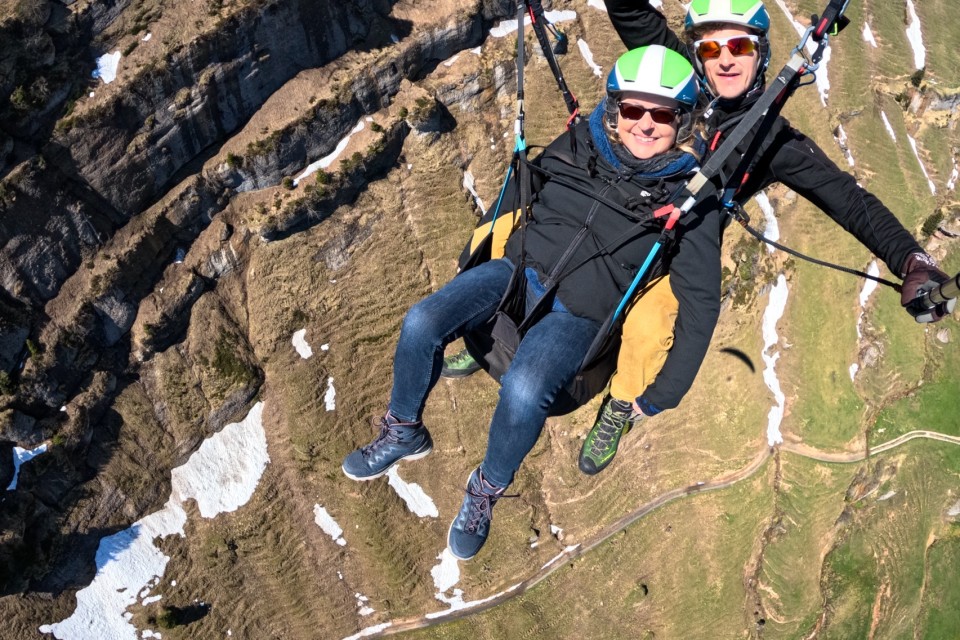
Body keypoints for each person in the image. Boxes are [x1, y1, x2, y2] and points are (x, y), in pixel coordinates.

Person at [342, 46, 723, 560]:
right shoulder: (579, 145)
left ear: (683, 121)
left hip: (581, 314)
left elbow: (700, 303)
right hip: (517, 273)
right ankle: (403, 430)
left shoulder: (689, 199)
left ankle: (485, 490)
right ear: (614, 112)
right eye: (634, 110)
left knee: (525, 390)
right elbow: (526, 191)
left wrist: (662, 393)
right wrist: (476, 245)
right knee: (422, 321)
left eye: (662, 114)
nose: (646, 125)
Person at [571, 0, 957, 474]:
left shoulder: (769, 140)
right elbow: (630, 13)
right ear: (697, 54)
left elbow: (849, 201)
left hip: (674, 255)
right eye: (712, 47)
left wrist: (912, 262)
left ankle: (621, 403)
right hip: (607, 216)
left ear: (760, 54)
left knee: (650, 330)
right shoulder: (675, 73)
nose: (725, 58)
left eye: (739, 45)